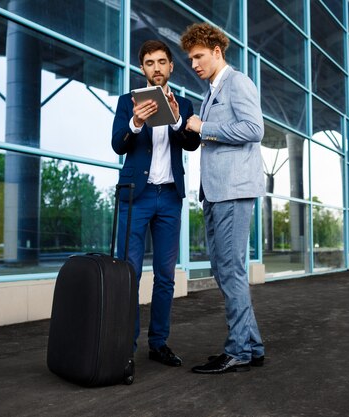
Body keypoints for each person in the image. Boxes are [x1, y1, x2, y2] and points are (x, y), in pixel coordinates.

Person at [180, 22, 266, 374]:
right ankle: (252, 346)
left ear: (217, 52)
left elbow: (253, 129)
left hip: (232, 191)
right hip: (216, 192)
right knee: (224, 269)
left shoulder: (237, 83)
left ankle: (237, 352)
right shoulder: (212, 90)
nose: (195, 64)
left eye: (200, 56)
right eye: (191, 59)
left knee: (230, 271)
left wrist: (204, 128)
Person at [111, 40, 200, 367]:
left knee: (165, 276)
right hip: (137, 197)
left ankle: (158, 343)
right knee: (129, 275)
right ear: (142, 68)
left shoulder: (185, 104)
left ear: (171, 66)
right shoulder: (127, 103)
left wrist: (177, 119)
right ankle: (125, 347)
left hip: (169, 198)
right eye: (150, 63)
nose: (157, 68)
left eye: (162, 61)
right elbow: (117, 145)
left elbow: (192, 143)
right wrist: (135, 122)